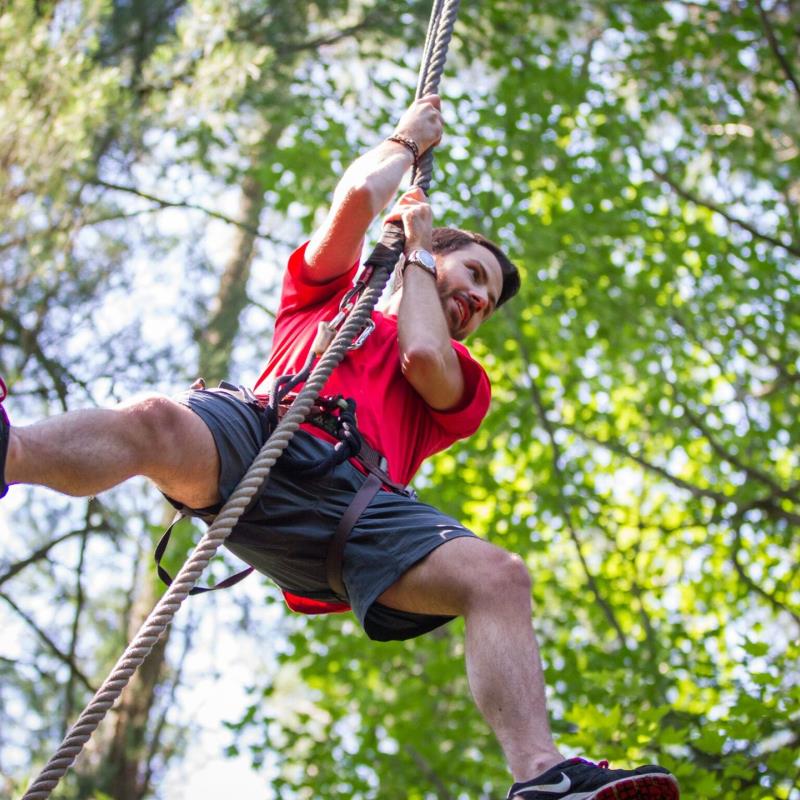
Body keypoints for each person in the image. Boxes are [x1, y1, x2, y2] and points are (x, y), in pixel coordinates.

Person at [0, 95, 679, 800]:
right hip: (261, 435)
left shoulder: (464, 384)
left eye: (489, 300)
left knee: (498, 576)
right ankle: (7, 451)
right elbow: (357, 196)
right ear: (436, 250)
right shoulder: (319, 298)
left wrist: (417, 254)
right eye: (474, 275)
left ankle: (543, 779)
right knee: (154, 422)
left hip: (352, 511)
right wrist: (403, 143)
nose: (479, 300)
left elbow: (420, 353)